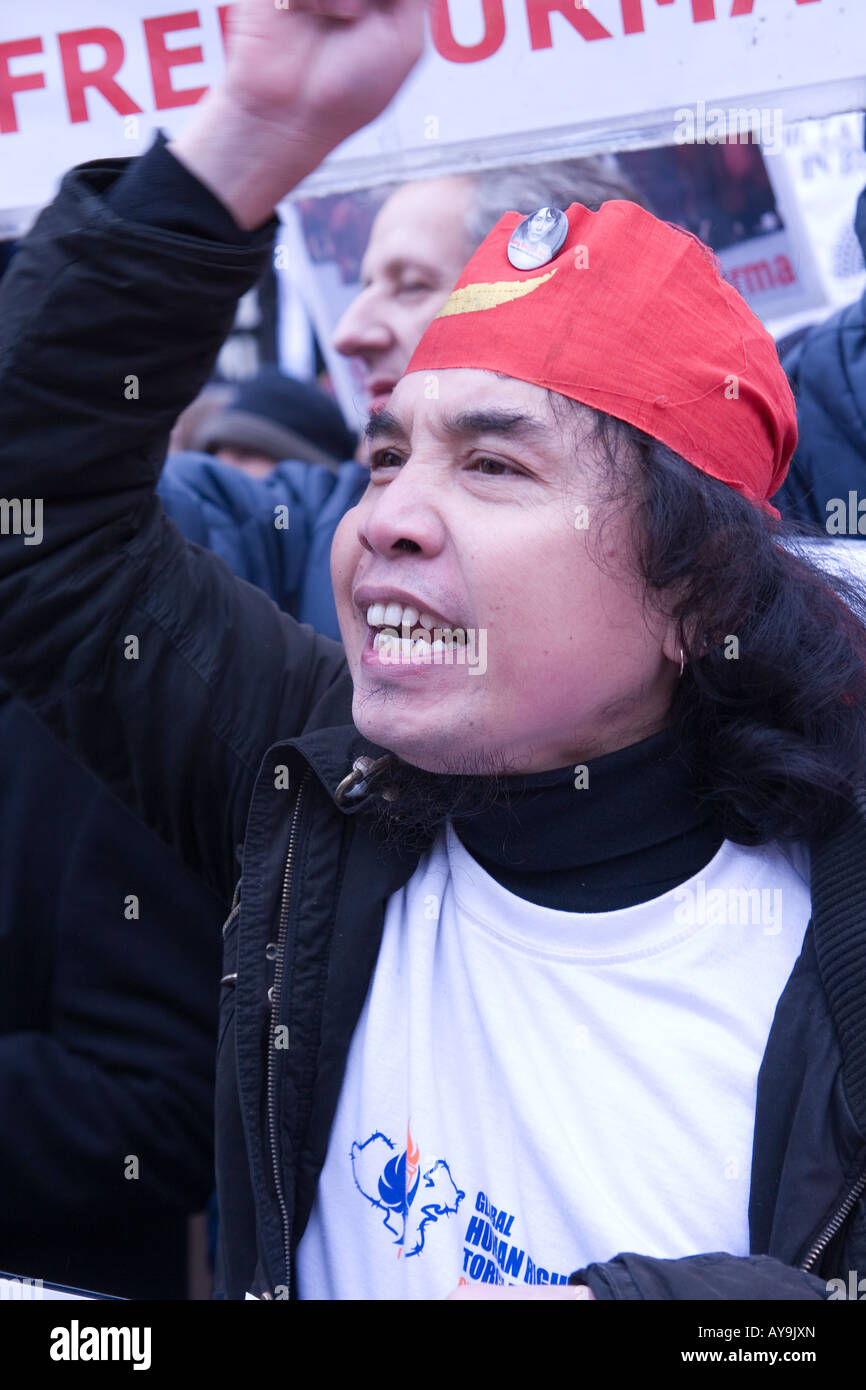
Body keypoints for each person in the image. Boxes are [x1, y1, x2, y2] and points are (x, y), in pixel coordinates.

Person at [1, 0, 864, 1303]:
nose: (387, 518)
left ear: (694, 589)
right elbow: (36, 517)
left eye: (494, 463)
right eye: (389, 453)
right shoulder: (311, 796)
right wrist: (249, 138)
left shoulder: (834, 944)